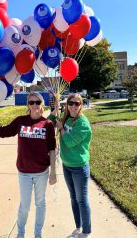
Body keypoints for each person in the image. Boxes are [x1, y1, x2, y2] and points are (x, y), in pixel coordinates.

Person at [0, 92, 57, 238]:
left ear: (42, 105)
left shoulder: (48, 124)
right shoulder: (21, 121)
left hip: (42, 172)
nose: (34, 105)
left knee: (40, 203)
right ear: (28, 105)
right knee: (25, 206)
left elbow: (52, 149)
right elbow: (2, 132)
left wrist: (53, 171)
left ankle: (38, 234)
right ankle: (20, 233)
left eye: (37, 102)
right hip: (24, 172)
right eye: (31, 102)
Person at [48, 93, 92, 238]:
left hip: (79, 167)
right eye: (70, 103)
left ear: (81, 105)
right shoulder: (66, 117)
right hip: (67, 165)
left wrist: (61, 129)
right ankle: (78, 228)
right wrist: (54, 112)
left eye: (76, 104)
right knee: (73, 198)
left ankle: (86, 232)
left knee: (82, 199)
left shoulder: (83, 123)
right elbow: (49, 124)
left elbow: (70, 141)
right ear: (66, 104)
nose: (73, 106)